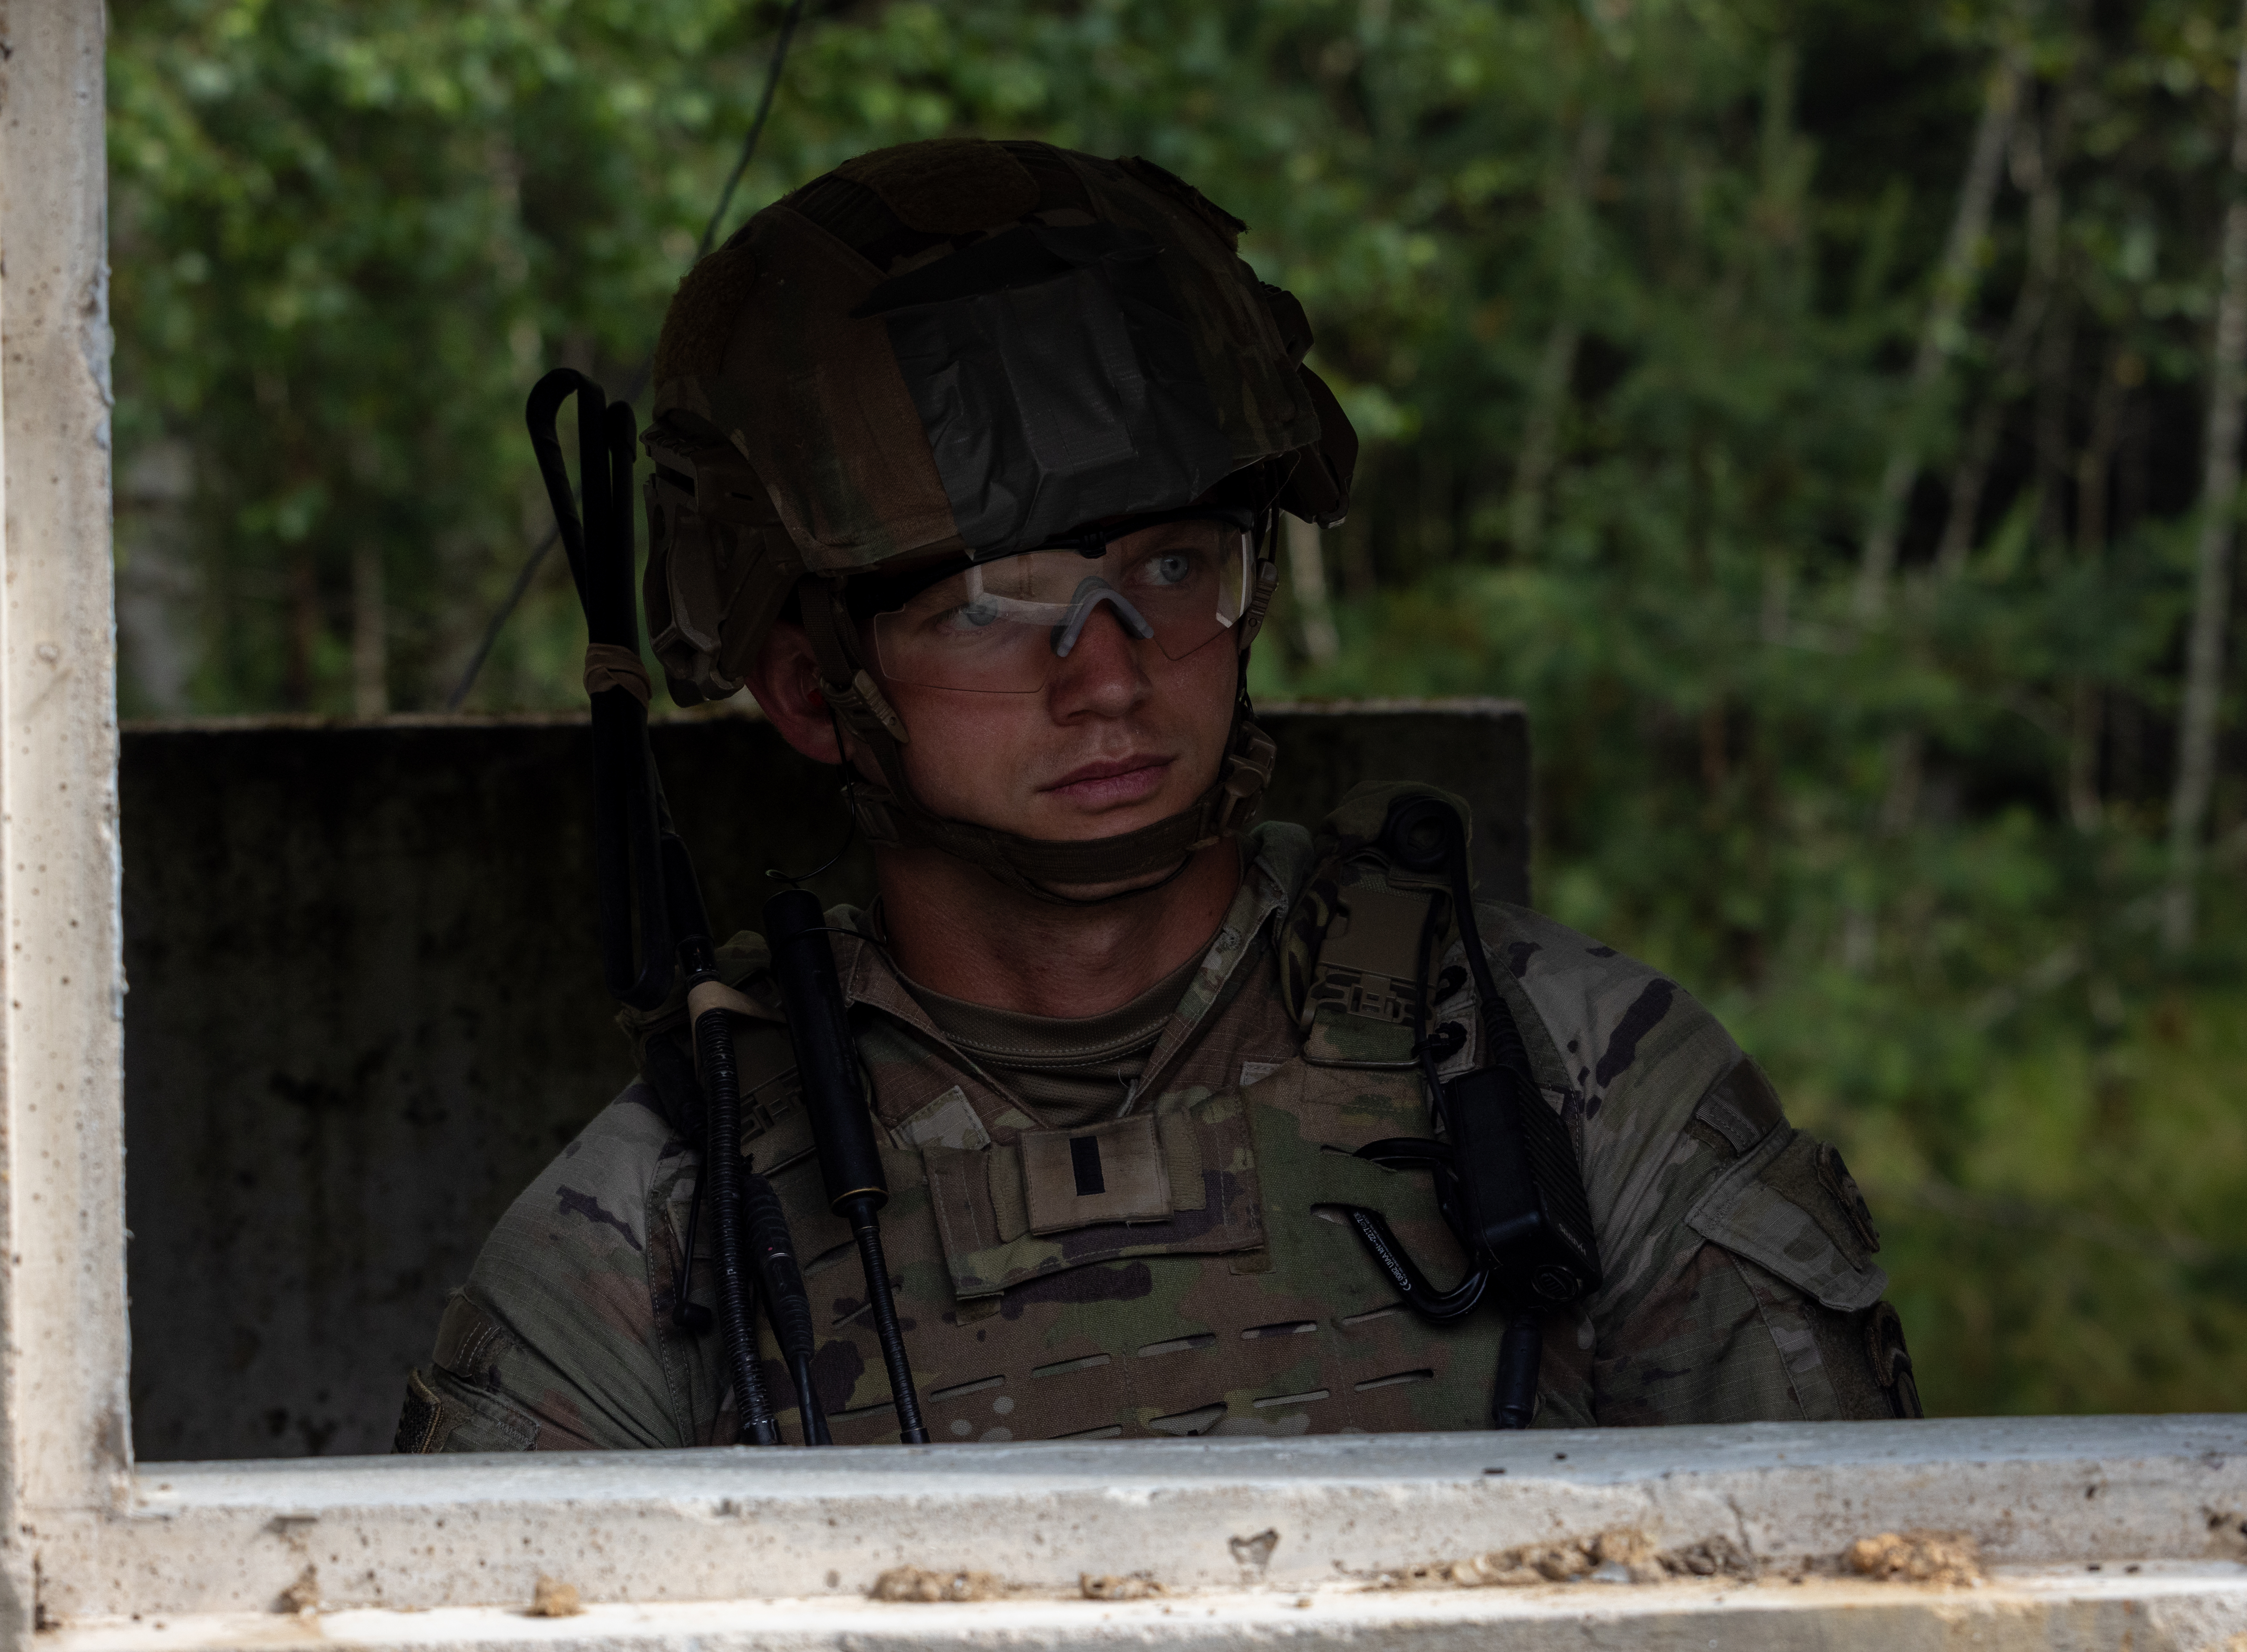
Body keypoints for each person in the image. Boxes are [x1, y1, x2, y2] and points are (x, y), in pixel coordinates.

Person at [398, 138, 1920, 1452]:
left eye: (1169, 570)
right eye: (996, 605)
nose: (1110, 678)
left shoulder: (1570, 1077)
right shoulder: (661, 1224)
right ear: (810, 689)